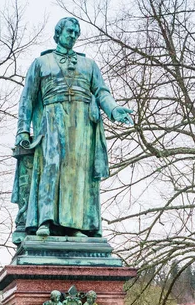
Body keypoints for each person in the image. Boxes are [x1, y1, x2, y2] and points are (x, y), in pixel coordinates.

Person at [12, 17, 133, 238]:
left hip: (81, 124)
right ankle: (45, 221)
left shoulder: (89, 65)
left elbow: (101, 92)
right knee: (51, 168)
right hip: (51, 120)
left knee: (78, 173)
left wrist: (114, 109)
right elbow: (27, 99)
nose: (73, 35)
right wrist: (22, 130)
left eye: (77, 33)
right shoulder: (41, 63)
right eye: (69, 31)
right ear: (58, 33)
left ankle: (76, 225)